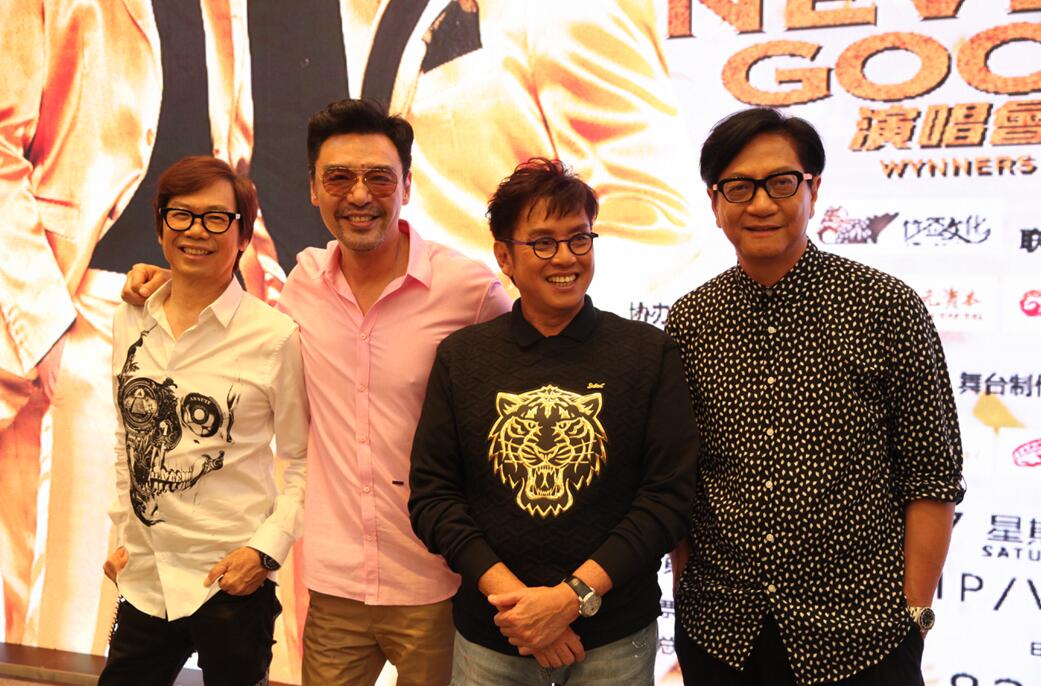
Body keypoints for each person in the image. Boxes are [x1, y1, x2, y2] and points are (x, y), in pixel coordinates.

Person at [124, 98, 513, 686]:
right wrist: (165, 283)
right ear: (312, 188)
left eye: (379, 178)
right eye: (338, 178)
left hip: (437, 579)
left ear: (407, 186)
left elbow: (524, 381)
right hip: (335, 584)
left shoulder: (470, 290)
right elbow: (226, 323)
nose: (359, 195)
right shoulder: (300, 286)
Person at [0, 0, 288, 650]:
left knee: (191, 579)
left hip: (209, 315)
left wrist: (266, 303)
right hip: (89, 301)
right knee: (74, 600)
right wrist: (45, 324)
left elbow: (236, 167)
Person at [665, 108, 965, 685]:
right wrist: (686, 598)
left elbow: (932, 474)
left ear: (813, 189)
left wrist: (915, 615)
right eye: (739, 187)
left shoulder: (885, 307)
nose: (761, 204)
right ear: (714, 203)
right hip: (722, 631)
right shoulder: (691, 321)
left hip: (861, 634)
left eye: (781, 183)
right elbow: (682, 478)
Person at [408, 158, 699, 685]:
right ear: (504, 256)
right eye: (543, 242)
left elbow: (667, 498)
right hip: (495, 635)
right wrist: (522, 608)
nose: (565, 257)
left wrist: (570, 599)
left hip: (614, 638)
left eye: (578, 239)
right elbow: (433, 498)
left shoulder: (646, 352)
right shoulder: (463, 357)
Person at [99, 156, 308, 685]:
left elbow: (305, 460)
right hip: (147, 575)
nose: (196, 230)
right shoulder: (129, 317)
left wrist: (265, 551)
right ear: (160, 227)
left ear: (243, 237)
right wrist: (123, 531)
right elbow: (127, 438)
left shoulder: (274, 336)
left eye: (217, 218)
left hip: (231, 580)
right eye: (182, 215)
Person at [341, 0, 700, 308]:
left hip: (516, 341)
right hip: (414, 333)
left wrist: (529, 334)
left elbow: (652, 217)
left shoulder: (571, 7)